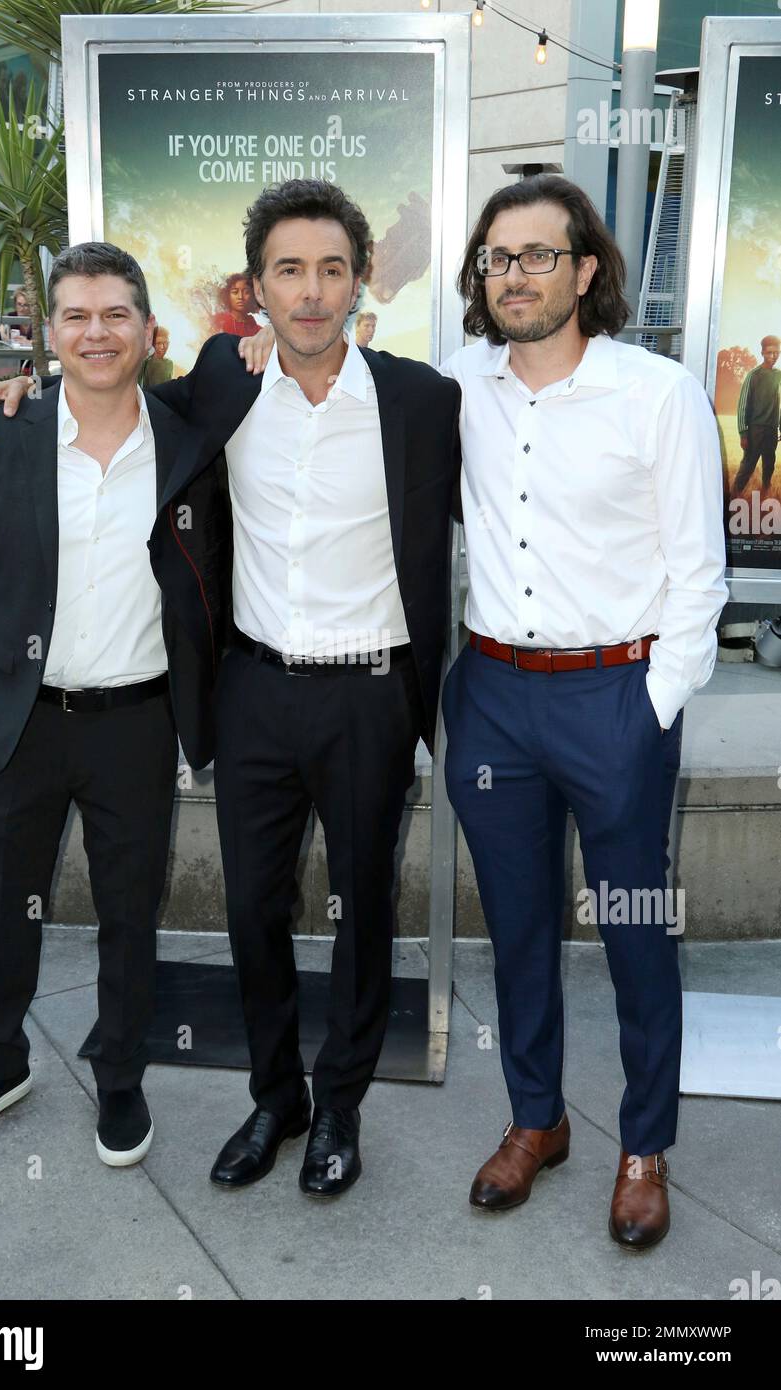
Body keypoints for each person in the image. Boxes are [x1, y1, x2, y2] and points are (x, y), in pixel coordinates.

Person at [0, 179, 461, 1200]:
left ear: (361, 278)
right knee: (251, 912)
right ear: (256, 290)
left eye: (331, 269)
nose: (311, 293)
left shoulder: (422, 401)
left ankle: (341, 1104)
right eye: (289, 271)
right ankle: (275, 1097)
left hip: (371, 695)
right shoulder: (219, 387)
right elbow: (107, 402)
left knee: (363, 911)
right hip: (253, 696)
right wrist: (6, 389)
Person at [439, 174, 728, 1249]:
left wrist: (651, 704)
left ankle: (643, 1144)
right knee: (516, 929)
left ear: (587, 269)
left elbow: (699, 575)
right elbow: (327, 391)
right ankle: (535, 1118)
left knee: (636, 933)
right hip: (495, 697)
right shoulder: (455, 384)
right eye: (498, 258)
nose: (515, 275)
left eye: (538, 255)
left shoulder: (656, 394)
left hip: (617, 692)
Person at [0, 242, 226, 1167]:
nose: (97, 333)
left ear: (147, 330)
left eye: (115, 314)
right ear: (49, 334)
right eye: (77, 317)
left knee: (130, 912)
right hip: (19, 721)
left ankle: (121, 1081)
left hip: (136, 721)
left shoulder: (187, 437)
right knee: (8, 907)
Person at [732, 335, 780, 496]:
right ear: (762, 352)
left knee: (769, 464)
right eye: (769, 353)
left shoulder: (779, 375)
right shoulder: (753, 375)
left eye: (777, 352)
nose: (773, 356)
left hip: (771, 430)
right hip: (754, 430)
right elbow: (743, 405)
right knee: (748, 465)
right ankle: (734, 494)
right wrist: (743, 433)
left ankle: (766, 493)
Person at [210, 271, 260, 337]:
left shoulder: (257, 330)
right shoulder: (219, 322)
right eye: (235, 292)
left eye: (246, 292)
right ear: (227, 295)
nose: (240, 297)